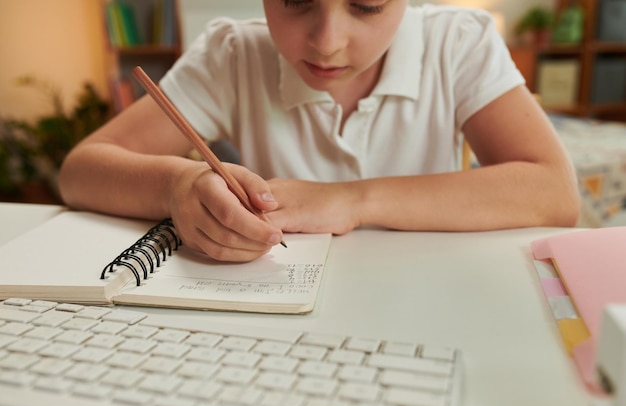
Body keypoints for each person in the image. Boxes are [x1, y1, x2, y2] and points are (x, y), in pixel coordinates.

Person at [58, 0, 580, 262]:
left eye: (367, 4)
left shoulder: (458, 45)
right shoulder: (234, 55)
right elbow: (81, 171)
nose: (327, 42)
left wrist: (352, 200)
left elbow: (553, 190)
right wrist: (177, 186)